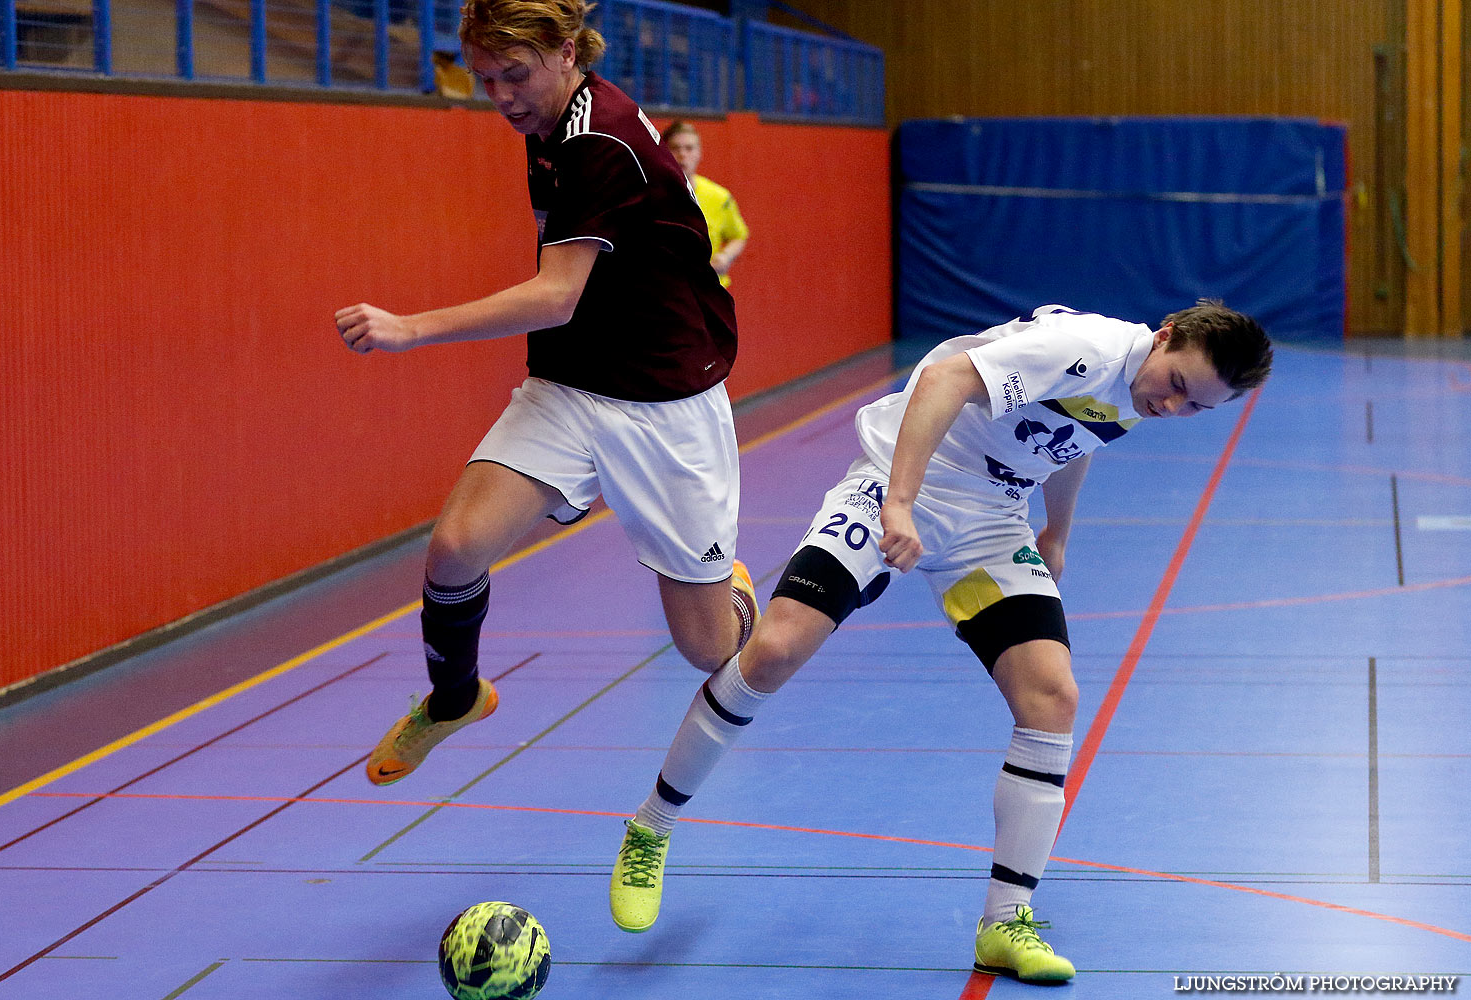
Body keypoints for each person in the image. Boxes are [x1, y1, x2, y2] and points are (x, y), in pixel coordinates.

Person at [608, 301, 1273, 982]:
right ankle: (651, 827)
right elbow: (944, 381)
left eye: (1197, 408)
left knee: (1051, 698)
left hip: (990, 523)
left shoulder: (1141, 388)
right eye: (1178, 385)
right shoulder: (1085, 349)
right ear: (1163, 336)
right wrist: (899, 500)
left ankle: (1004, 923)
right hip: (895, 483)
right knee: (775, 649)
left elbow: (1076, 437)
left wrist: (1057, 531)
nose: (1173, 406)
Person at [335, 0, 756, 790]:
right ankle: (456, 698)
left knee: (708, 650)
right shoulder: (546, 129)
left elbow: (556, 293)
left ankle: (733, 592)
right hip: (571, 386)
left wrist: (411, 328)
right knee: (457, 546)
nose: (500, 95)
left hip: (666, 404)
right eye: (485, 77)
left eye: (514, 74)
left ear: (567, 52)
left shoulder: (601, 140)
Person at [661, 121, 749, 288]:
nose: (682, 155)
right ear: (664, 152)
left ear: (699, 152)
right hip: (666, 291)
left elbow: (739, 236)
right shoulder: (650, 194)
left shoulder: (719, 197)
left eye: (689, 148)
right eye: (675, 148)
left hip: (708, 290)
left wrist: (725, 256)